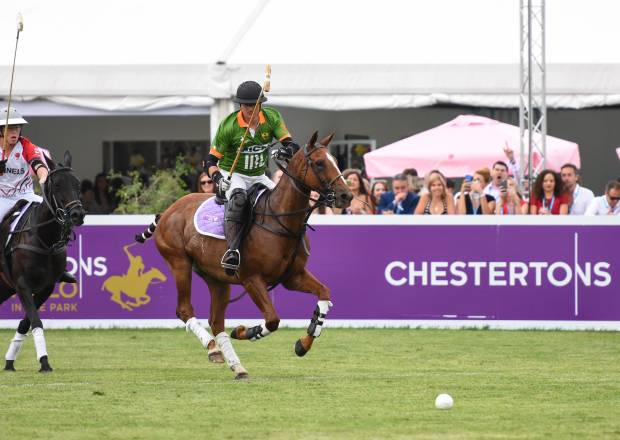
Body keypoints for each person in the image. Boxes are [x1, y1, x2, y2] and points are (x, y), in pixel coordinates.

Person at [203, 80, 300, 274]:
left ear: (261, 104)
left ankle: (290, 246)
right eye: (247, 105)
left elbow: (291, 144)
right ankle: (233, 251)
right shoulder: (229, 126)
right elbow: (209, 162)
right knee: (239, 199)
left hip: (258, 175)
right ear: (240, 105)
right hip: (233, 173)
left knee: (283, 202)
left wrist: (285, 151)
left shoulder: (271, 117)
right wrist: (219, 180)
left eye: (255, 105)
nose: (251, 109)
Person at [0, 107, 75, 283]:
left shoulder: (26, 145)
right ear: (1, 130)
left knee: (54, 216)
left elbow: (38, 164)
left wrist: (43, 178)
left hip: (26, 196)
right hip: (2, 198)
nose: (15, 132)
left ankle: (60, 267)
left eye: (17, 128)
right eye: (10, 128)